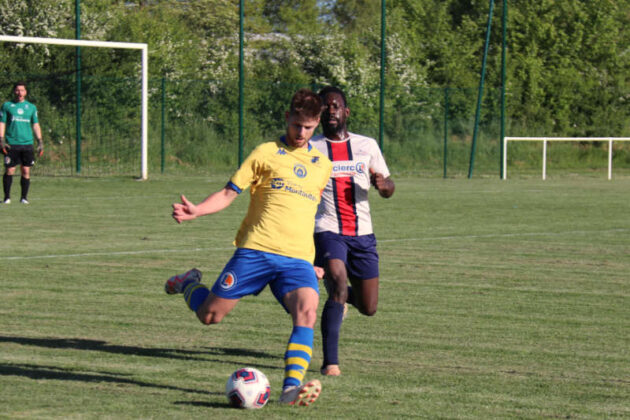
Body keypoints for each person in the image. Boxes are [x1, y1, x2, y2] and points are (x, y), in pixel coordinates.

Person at [167, 88, 332, 406]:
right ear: (287, 118)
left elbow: (313, 214)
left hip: (297, 259)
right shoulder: (265, 153)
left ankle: (290, 389)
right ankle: (188, 283)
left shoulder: (321, 165)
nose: (301, 133)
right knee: (210, 316)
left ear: (317, 125)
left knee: (307, 313)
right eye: (297, 125)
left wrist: (317, 259)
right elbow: (229, 193)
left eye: (308, 128)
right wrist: (198, 210)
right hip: (256, 251)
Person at [310, 86, 395, 377]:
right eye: (325, 106)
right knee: (337, 281)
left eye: (335, 105)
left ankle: (343, 298)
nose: (330, 110)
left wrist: (384, 187)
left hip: (363, 234)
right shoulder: (311, 147)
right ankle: (330, 363)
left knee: (369, 307)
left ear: (346, 112)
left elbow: (388, 184)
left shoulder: (366, 145)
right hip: (327, 229)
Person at [0, 81, 43, 205]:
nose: (20, 93)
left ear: (26, 92)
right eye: (18, 90)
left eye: (22, 90)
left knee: (26, 171)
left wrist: (40, 141)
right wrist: (1, 139)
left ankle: (24, 198)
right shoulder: (7, 106)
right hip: (11, 144)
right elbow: (2, 123)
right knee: (10, 171)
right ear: (14, 91)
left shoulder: (31, 107)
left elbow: (35, 125)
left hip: (27, 144)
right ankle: (7, 198)